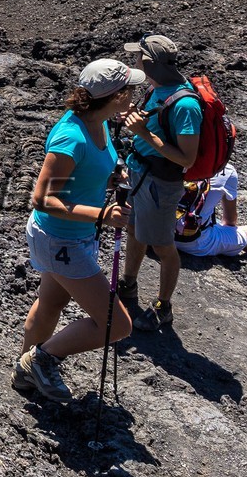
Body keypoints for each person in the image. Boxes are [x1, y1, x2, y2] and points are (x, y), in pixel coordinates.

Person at [15, 58, 142, 403]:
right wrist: (103, 214)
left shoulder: (98, 124)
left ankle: (24, 375)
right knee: (118, 325)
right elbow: (42, 199)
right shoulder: (71, 137)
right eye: (130, 89)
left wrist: (111, 176)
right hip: (61, 240)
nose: (135, 94)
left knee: (50, 305)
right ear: (116, 96)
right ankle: (42, 360)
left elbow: (89, 170)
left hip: (69, 237)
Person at [116, 34, 200, 332]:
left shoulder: (185, 105)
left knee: (163, 246)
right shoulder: (156, 89)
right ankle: (128, 283)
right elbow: (148, 124)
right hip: (141, 173)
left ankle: (163, 306)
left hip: (160, 183)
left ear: (149, 62)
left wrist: (143, 133)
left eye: (137, 58)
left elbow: (187, 159)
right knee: (135, 229)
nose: (134, 62)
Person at [176, 162, 247, 257]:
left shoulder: (173, 155)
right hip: (193, 243)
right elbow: (230, 221)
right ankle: (242, 248)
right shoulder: (226, 170)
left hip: (162, 233)